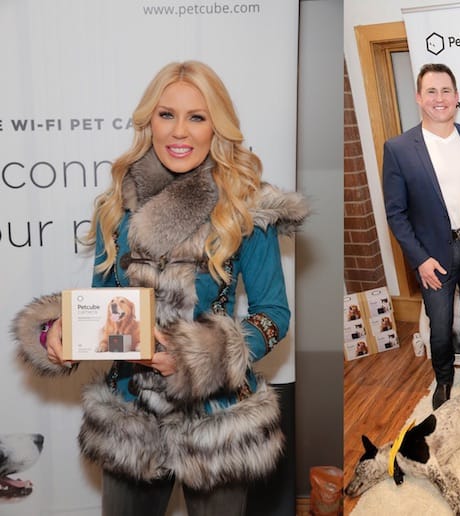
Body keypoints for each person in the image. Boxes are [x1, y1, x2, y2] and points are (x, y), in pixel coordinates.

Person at [12, 60, 308, 515]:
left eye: (197, 116)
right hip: (131, 414)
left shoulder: (246, 206)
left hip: (218, 417)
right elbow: (100, 306)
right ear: (149, 120)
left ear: (218, 127)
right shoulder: (119, 204)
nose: (179, 132)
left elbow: (273, 315)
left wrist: (196, 357)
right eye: (167, 114)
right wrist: (58, 330)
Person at [383, 62, 460, 410]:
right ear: (419, 98)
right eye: (431, 91)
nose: (439, 98)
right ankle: (444, 379)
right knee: (441, 325)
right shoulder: (399, 148)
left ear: (457, 96)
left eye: (446, 90)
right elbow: (396, 214)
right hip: (433, 255)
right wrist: (420, 259)